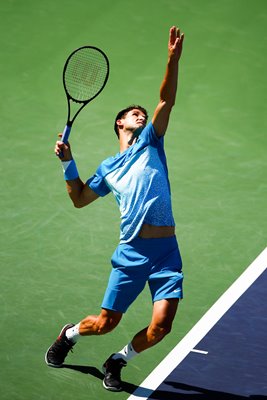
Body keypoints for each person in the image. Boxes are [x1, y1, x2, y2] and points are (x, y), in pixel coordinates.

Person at [45, 26, 185, 392]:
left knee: (162, 326)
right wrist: (68, 163)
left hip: (167, 250)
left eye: (143, 113)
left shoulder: (152, 141)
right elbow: (79, 198)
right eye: (134, 113)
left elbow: (166, 102)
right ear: (119, 124)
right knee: (106, 322)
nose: (141, 115)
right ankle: (70, 334)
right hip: (133, 251)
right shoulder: (109, 168)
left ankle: (118, 360)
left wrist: (172, 60)